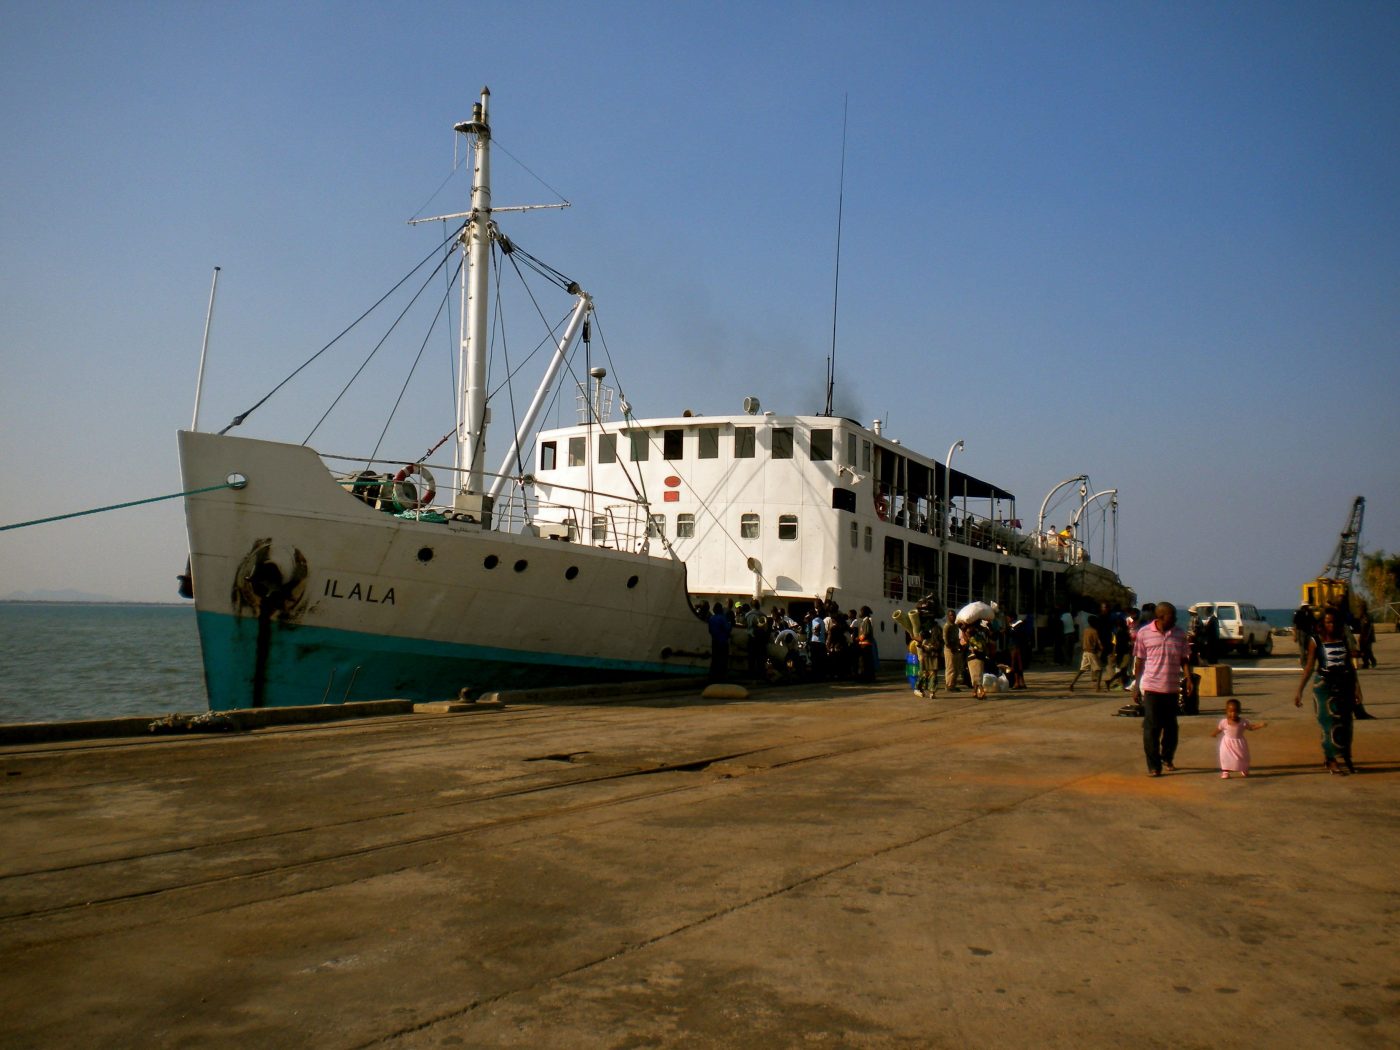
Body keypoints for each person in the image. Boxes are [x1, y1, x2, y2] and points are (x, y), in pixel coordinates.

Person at [1293, 606, 1361, 774]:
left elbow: (1349, 666)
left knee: (1345, 723)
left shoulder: (1343, 638)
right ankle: (1330, 760)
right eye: (1328, 622)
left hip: (1344, 685)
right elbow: (1309, 667)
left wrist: (1357, 688)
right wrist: (1299, 690)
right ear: (1322, 623)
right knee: (1328, 723)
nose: (1332, 625)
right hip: (1323, 686)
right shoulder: (1315, 640)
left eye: (1334, 622)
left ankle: (1345, 757)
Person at [1132, 601, 1191, 777]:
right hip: (1151, 687)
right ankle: (1154, 765)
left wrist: (1188, 678)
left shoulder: (1179, 634)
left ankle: (1167, 757)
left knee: (1171, 728)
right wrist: (1136, 686)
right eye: (1172, 616)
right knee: (1151, 728)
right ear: (1161, 617)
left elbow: (1184, 659)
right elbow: (1139, 661)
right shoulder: (1144, 633)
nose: (1176, 619)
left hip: (1172, 688)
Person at [1211, 698, 1267, 779]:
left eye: (1235, 712)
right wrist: (1214, 733)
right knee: (1225, 757)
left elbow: (1251, 727)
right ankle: (1225, 771)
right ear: (1226, 711)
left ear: (1239, 712)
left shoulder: (1243, 722)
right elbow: (1219, 729)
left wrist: (1260, 725)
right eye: (1230, 711)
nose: (1233, 714)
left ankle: (1243, 769)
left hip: (1239, 743)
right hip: (1226, 744)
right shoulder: (1223, 722)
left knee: (1242, 757)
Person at [1069, 616, 1104, 692]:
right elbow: (1098, 642)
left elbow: (1083, 640)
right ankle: (1098, 687)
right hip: (1092, 652)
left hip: (1085, 652)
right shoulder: (1094, 631)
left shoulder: (1086, 630)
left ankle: (1072, 683)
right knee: (1100, 670)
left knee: (1082, 670)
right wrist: (1102, 648)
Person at [965, 620, 990, 699]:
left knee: (976, 676)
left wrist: (973, 649)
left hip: (974, 658)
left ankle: (981, 692)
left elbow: (979, 648)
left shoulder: (973, 639)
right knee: (977, 675)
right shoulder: (980, 636)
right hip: (980, 658)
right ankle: (975, 692)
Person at [707, 602, 732, 680]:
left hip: (714, 641)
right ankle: (722, 676)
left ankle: (712, 675)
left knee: (715, 659)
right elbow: (727, 629)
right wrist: (730, 624)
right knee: (723, 659)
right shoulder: (722, 618)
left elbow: (710, 630)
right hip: (723, 641)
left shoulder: (711, 618)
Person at [943, 611, 965, 692]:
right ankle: (949, 685)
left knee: (956, 668)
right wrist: (951, 647)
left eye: (954, 615)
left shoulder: (955, 626)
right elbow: (945, 638)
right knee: (950, 667)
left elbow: (956, 638)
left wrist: (959, 646)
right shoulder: (947, 626)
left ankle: (953, 684)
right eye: (951, 615)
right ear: (948, 616)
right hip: (949, 649)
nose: (953, 617)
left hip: (955, 648)